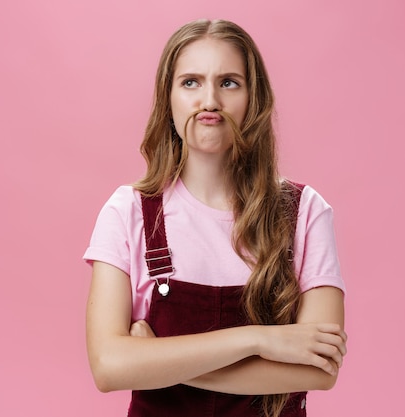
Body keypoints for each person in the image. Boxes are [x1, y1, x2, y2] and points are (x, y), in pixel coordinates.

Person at [84, 19, 347, 417]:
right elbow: (108, 367)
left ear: (253, 98)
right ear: (167, 98)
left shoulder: (304, 211)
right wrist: (259, 341)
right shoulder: (128, 213)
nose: (209, 101)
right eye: (190, 82)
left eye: (229, 82)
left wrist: (157, 359)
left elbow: (319, 369)